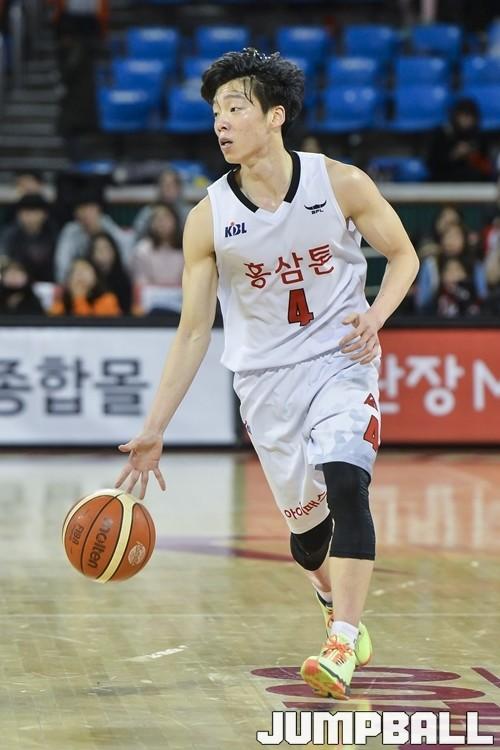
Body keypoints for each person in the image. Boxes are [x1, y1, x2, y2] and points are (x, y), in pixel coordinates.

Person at [114, 49, 419, 700]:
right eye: (215, 113)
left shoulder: (340, 183)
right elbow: (193, 330)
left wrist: (375, 317)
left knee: (348, 481)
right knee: (308, 542)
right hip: (265, 383)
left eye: (235, 108)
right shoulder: (208, 217)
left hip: (340, 360)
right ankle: (329, 600)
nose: (221, 123)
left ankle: (342, 642)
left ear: (275, 116)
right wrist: (155, 427)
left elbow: (403, 256)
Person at [54, 192, 132, 283]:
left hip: (110, 281)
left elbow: (126, 261)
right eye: (81, 209)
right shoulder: (70, 231)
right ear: (75, 213)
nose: (86, 214)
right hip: (80, 281)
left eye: (90, 208)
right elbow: (62, 264)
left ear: (99, 209)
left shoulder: (112, 230)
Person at [427, 98, 493, 183]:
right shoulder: (442, 134)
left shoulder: (479, 137)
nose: (466, 120)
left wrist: (472, 157)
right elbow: (431, 164)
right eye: (463, 116)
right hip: (445, 180)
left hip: (472, 181)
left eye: (470, 116)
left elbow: (487, 168)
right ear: (455, 116)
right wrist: (454, 155)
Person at [0, 193, 59, 282]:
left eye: (35, 212)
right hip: (17, 282)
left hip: (49, 282)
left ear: (45, 214)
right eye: (27, 213)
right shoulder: (9, 234)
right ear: (18, 215)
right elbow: (3, 258)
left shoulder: (54, 233)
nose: (31, 217)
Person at [132, 203, 184, 287]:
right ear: (151, 224)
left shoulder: (185, 249)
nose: (162, 222)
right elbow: (140, 283)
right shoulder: (142, 250)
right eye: (157, 219)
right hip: (151, 294)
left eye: (166, 217)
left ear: (175, 220)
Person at [50, 257, 121, 316]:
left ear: (95, 276)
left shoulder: (107, 300)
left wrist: (79, 298)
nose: (80, 275)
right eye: (76, 271)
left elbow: (88, 324)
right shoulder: (61, 302)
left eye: (85, 270)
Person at [87, 231, 133, 314]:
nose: (102, 252)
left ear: (114, 251)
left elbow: (126, 311)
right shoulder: (88, 279)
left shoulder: (123, 280)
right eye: (98, 249)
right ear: (92, 254)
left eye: (106, 248)